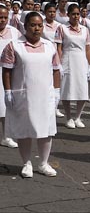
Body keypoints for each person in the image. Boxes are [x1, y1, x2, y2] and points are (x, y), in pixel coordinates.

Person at [1, 11, 61, 178]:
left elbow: (56, 70)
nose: (37, 28)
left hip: (45, 95)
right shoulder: (14, 46)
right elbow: (7, 70)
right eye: (33, 25)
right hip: (24, 95)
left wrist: (56, 91)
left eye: (40, 25)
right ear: (25, 26)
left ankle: (43, 163)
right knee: (25, 129)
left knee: (46, 130)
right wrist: (8, 91)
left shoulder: (50, 46)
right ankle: (26, 163)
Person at [55, 3, 90, 129]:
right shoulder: (62, 28)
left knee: (82, 89)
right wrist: (59, 64)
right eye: (73, 14)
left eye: (78, 14)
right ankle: (68, 117)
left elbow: (88, 49)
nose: (76, 16)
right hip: (68, 59)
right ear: (68, 15)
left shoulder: (85, 30)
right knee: (67, 88)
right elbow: (59, 48)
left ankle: (78, 117)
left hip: (81, 60)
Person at [0, 5, 21, 148]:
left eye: (5, 17)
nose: (2, 20)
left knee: (5, 105)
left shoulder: (14, 32)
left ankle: (6, 135)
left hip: (7, 72)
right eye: (0, 17)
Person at [41, 3, 64, 118]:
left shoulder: (59, 26)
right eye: (49, 12)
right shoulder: (41, 24)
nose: (52, 14)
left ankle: (55, 107)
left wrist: (60, 60)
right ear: (45, 12)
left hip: (55, 56)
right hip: (43, 55)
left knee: (55, 82)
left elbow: (60, 44)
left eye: (54, 12)